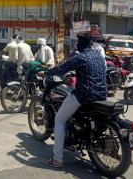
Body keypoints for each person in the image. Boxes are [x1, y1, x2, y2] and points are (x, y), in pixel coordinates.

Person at [42, 31, 107, 168]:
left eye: (77, 42)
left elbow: (61, 68)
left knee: (59, 120)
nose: (76, 44)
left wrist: (47, 72)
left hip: (84, 95)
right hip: (101, 95)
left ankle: (57, 159)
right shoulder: (99, 56)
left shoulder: (80, 57)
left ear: (80, 43)